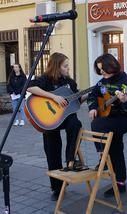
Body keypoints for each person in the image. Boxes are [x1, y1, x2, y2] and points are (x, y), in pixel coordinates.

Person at [27, 52, 83, 201]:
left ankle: (70, 159)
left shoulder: (70, 82)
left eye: (68, 66)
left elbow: (76, 101)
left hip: (65, 117)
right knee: (52, 149)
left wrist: (87, 96)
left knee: (76, 124)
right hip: (49, 119)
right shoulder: (45, 79)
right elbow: (29, 87)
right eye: (65, 66)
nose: (67, 69)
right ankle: (57, 188)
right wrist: (54, 97)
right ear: (57, 66)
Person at [87, 53, 127, 198]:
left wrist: (124, 100)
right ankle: (120, 184)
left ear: (111, 66)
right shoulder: (102, 82)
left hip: (124, 119)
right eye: (99, 69)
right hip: (109, 119)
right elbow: (92, 96)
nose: (101, 72)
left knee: (97, 123)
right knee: (116, 148)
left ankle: (102, 157)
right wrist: (93, 108)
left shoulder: (126, 82)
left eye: (103, 69)